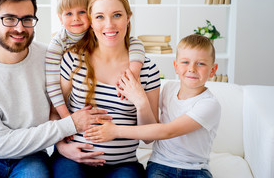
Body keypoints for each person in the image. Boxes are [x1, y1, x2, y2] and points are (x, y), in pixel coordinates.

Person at [0, 0, 110, 178]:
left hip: (32, 155)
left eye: (27, 19)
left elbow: (58, 107)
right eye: (9, 19)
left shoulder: (50, 57)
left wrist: (62, 145)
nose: (20, 28)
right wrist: (71, 124)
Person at [51, 0, 161, 178]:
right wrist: (61, 147)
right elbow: (54, 111)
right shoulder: (73, 59)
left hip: (122, 166)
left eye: (117, 15)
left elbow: (149, 138)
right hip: (72, 159)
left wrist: (141, 102)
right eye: (100, 16)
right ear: (91, 22)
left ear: (128, 17)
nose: (109, 25)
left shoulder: (147, 70)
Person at [85, 34, 221, 178]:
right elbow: (151, 123)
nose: (192, 69)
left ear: (213, 69)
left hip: (196, 169)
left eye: (201, 63)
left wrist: (115, 131)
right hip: (161, 165)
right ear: (175, 66)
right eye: (185, 62)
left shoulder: (209, 104)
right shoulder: (169, 89)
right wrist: (140, 100)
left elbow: (168, 131)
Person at [45, 0, 146, 120]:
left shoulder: (98, 32)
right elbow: (52, 86)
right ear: (60, 18)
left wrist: (132, 73)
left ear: (89, 17)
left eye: (81, 12)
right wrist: (67, 120)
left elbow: (135, 43)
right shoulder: (59, 45)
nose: (76, 18)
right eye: (68, 14)